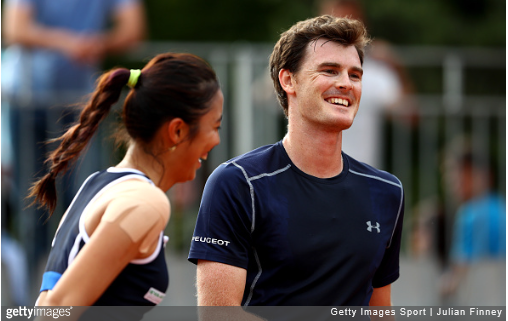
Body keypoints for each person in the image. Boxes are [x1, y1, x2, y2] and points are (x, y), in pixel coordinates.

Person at [189, 15, 404, 308]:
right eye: (330, 71)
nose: (345, 84)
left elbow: (380, 311)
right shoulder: (238, 182)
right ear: (288, 80)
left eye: (355, 75)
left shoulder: (387, 191)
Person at [29, 52, 223, 315]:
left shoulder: (98, 183)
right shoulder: (146, 201)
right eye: (215, 126)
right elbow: (54, 311)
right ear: (177, 130)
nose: (217, 140)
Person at [1, 0, 147, 275]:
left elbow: (133, 29)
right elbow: (14, 29)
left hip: (81, 105)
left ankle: (76, 294)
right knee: (32, 212)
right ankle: (32, 297)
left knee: (86, 202)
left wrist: (95, 43)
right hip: (29, 101)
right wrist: (71, 43)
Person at [318, 0, 417, 168]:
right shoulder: (303, 68)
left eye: (349, 23)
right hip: (311, 178)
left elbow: (410, 117)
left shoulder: (374, 72)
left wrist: (397, 67)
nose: (342, 31)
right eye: (336, 23)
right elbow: (263, 98)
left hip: (361, 177)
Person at [439, 140, 506, 305]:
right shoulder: (501, 207)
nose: (451, 183)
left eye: (455, 174)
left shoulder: (470, 214)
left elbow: (462, 270)